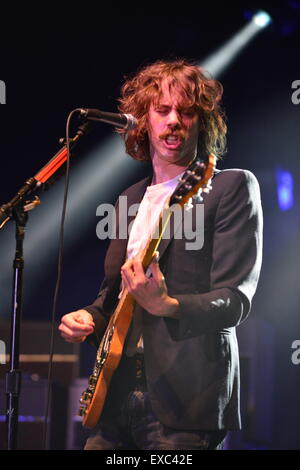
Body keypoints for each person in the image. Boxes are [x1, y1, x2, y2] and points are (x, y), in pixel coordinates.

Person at [58, 59, 263, 450]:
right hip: (114, 394)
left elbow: (235, 300)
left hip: (187, 399)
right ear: (142, 120)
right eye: (163, 110)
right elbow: (113, 294)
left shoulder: (228, 187)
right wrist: (89, 316)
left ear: (202, 123)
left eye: (187, 112)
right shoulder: (129, 199)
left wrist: (168, 305)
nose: (174, 121)